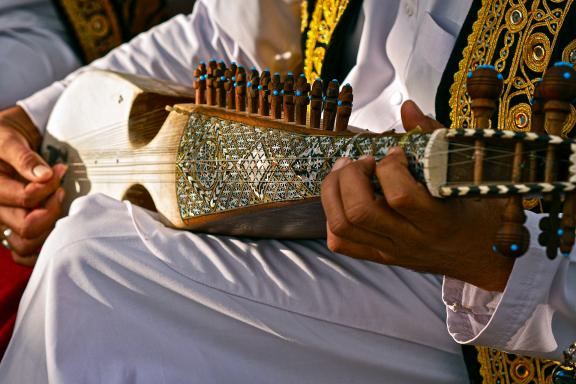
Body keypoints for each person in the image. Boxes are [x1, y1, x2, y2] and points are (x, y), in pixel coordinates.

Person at [0, 0, 574, 382]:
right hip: (306, 204)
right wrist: (36, 124)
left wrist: (492, 262)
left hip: (489, 295)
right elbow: (226, 32)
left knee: (91, 268)